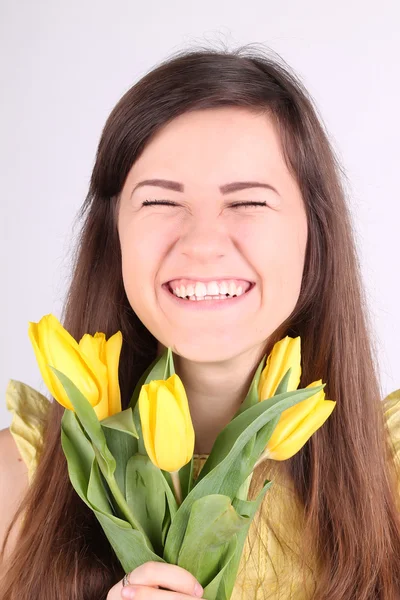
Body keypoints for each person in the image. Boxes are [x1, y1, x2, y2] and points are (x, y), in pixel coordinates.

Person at [1, 44, 400, 600]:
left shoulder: (391, 476)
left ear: (316, 235)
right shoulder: (19, 483)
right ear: (113, 234)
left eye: (249, 203)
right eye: (161, 203)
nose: (203, 244)